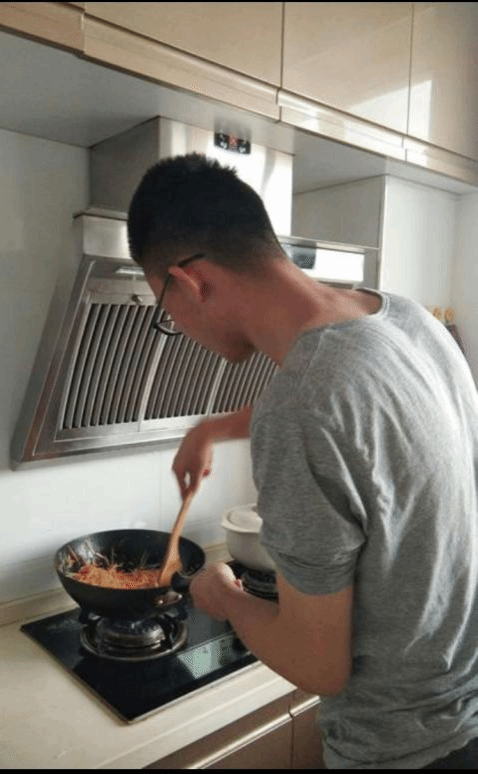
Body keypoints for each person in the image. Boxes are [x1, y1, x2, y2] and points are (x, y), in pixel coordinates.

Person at [126, 152, 478, 769]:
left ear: (192, 282)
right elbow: (361, 415)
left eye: (164, 307)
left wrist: (224, 595)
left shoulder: (302, 406)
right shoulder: (405, 318)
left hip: (401, 748)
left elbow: (319, 667)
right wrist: (216, 427)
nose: (174, 323)